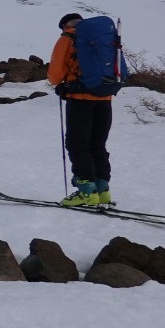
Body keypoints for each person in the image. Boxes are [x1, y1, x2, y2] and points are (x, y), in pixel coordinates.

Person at [49, 12, 114, 207]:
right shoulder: (103, 37)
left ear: (64, 25)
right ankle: (102, 191)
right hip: (105, 97)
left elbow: (54, 75)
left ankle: (86, 192)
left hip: (80, 99)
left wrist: (61, 84)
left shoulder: (67, 38)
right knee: (97, 143)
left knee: (78, 143)